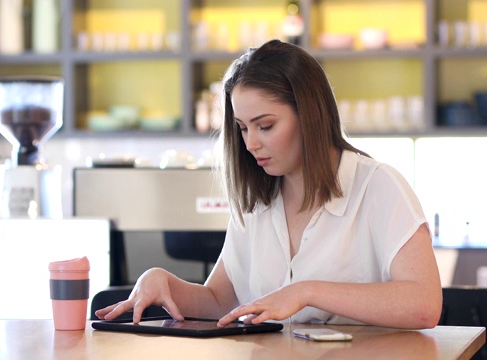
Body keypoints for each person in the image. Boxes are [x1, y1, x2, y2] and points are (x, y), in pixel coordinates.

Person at [96, 39, 442, 329]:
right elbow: (220, 301)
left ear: (310, 115)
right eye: (243, 128)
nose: (250, 144)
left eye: (265, 126)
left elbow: (424, 304)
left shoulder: (378, 187)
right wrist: (163, 281)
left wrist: (307, 291)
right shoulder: (258, 202)